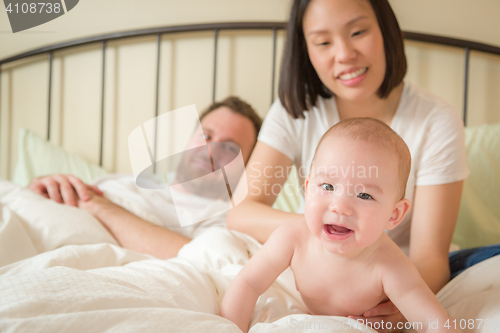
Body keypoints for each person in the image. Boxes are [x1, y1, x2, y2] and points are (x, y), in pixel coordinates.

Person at [227, 0, 487, 330]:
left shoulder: (435, 120)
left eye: (358, 31)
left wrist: (401, 302)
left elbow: (430, 258)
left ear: (386, 31)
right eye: (323, 42)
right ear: (305, 49)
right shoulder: (296, 110)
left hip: (393, 274)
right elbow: (239, 212)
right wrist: (321, 228)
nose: (345, 54)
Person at [221, 118, 460, 333]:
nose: (340, 207)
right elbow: (247, 284)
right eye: (327, 186)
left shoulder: (391, 266)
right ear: (307, 190)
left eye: (364, 195)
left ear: (394, 214)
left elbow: (434, 323)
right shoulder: (292, 238)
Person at [28, 96, 262, 259]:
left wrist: (97, 206)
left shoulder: (226, 220)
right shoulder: (124, 181)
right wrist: (41, 188)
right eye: (205, 134)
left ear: (248, 166)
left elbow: (202, 260)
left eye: (230, 148)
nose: (210, 150)